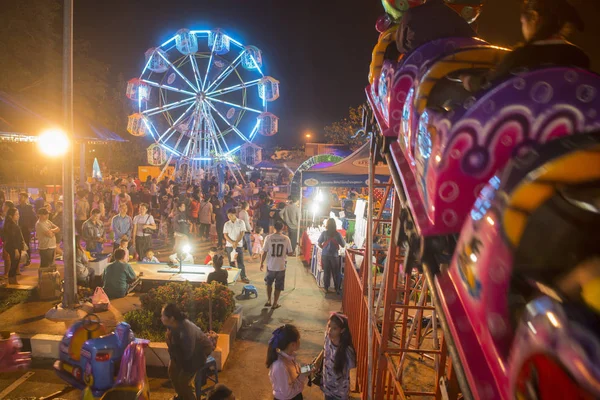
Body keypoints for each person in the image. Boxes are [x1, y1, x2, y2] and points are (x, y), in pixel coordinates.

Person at [462, 0, 588, 92]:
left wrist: (466, 79)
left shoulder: (519, 57)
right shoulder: (580, 57)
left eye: (522, 22)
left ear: (534, 18)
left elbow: (486, 84)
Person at [161, 303, 216, 400]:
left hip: (199, 352)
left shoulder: (186, 329)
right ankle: (181, 396)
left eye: (163, 315)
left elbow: (188, 354)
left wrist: (177, 360)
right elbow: (174, 348)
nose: (161, 318)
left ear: (172, 318)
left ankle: (189, 397)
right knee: (172, 370)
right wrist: (174, 359)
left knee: (183, 381)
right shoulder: (172, 326)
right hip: (184, 353)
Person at [395, 0, 476, 55]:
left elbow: (400, 46)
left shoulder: (410, 14)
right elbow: (473, 41)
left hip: (416, 69)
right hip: (445, 70)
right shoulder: (453, 15)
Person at [267, 324, 310, 400]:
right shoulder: (280, 366)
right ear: (293, 344)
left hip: (295, 395)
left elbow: (295, 373)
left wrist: (306, 369)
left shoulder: (289, 356)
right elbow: (287, 393)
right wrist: (302, 376)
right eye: (298, 339)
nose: (300, 341)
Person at [321, 313, 357, 400]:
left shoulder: (347, 351)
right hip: (327, 385)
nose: (329, 330)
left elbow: (352, 369)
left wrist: (351, 387)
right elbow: (324, 350)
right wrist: (316, 362)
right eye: (329, 326)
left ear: (342, 330)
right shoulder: (327, 337)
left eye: (334, 328)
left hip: (340, 392)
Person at [260, 221, 293, 310]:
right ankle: (275, 303)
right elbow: (290, 253)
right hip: (281, 266)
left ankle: (268, 300)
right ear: (282, 228)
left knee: (269, 284)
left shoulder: (268, 238)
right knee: (278, 285)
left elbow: (264, 252)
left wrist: (261, 263)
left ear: (274, 228)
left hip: (270, 266)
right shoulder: (286, 239)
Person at [317, 218, 346, 295]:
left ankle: (326, 288)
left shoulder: (324, 233)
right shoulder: (338, 234)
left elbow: (319, 243)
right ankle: (337, 289)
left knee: (326, 272)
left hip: (325, 255)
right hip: (334, 256)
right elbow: (343, 245)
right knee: (336, 273)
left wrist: (324, 248)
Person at [223, 208, 249, 283]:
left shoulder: (241, 222)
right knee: (231, 262)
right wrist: (232, 242)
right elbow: (225, 235)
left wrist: (236, 242)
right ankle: (233, 277)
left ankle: (243, 277)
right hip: (229, 246)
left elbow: (242, 233)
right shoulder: (226, 224)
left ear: (235, 214)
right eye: (228, 216)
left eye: (231, 215)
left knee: (240, 262)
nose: (229, 217)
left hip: (239, 245)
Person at [3, 208, 24, 285]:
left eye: (18, 214)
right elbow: (12, 238)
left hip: (14, 246)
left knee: (15, 263)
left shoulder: (12, 224)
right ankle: (12, 281)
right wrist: (16, 249)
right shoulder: (11, 225)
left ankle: (13, 280)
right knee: (14, 264)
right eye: (16, 214)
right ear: (11, 216)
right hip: (13, 247)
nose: (18, 215)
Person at [16, 192, 35, 266]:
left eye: (21, 197)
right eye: (19, 196)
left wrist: (31, 227)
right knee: (18, 244)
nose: (20, 198)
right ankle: (20, 259)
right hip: (18, 228)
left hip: (26, 229)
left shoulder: (29, 207)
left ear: (25, 198)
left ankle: (28, 259)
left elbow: (34, 218)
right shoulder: (16, 207)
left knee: (26, 244)